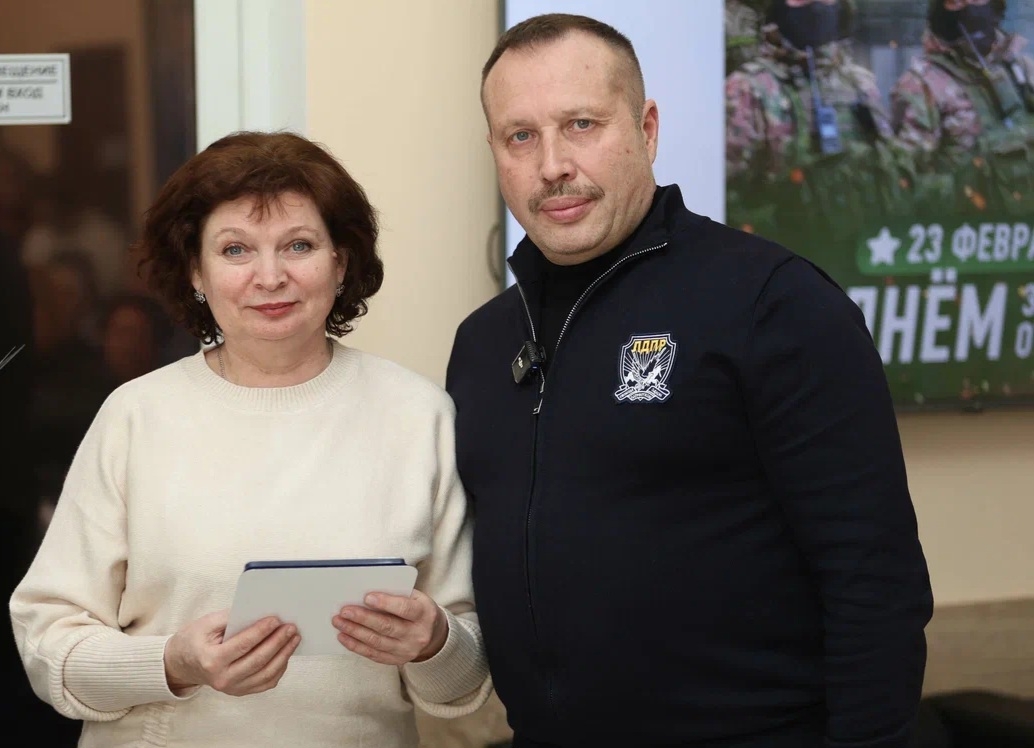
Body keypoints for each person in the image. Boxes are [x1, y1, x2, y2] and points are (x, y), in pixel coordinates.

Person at [446, 13, 933, 748]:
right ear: (494, 152)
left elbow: (874, 581)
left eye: (581, 125)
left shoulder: (773, 304)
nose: (552, 165)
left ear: (646, 129)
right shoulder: (483, 344)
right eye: (521, 136)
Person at [10, 131, 492, 748]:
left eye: (299, 245)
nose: (270, 276)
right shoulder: (136, 416)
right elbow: (46, 643)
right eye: (236, 249)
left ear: (341, 263)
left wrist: (435, 643)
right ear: (196, 270)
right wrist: (173, 665)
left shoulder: (419, 415)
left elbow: (466, 680)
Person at [725, 0, 918, 241]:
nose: (815, 6)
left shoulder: (859, 83)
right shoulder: (747, 89)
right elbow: (724, 198)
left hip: (862, 249)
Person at [890, 0, 1034, 217]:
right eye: (955, 1)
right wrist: (970, 191)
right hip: (967, 230)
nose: (969, 7)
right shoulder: (921, 85)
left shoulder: (1022, 70)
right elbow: (903, 187)